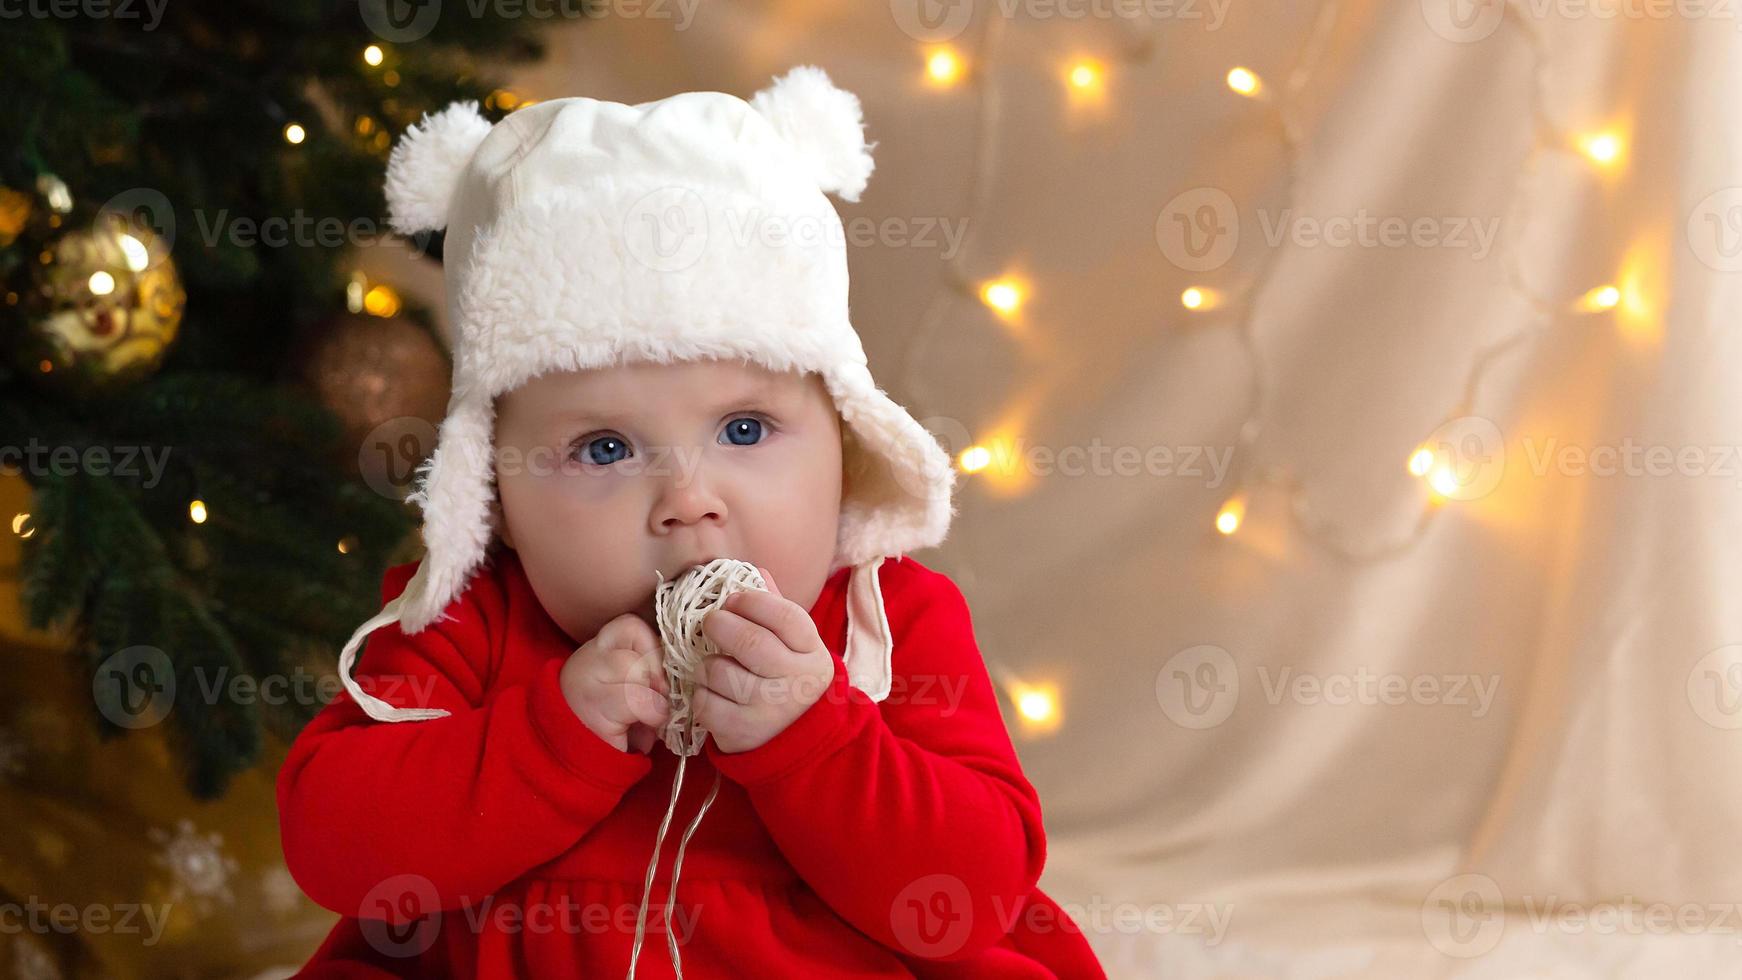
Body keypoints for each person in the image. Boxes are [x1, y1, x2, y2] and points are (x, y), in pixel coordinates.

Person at [276, 64, 1108, 979]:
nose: (687, 498)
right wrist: (551, 737)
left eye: (744, 430)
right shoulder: (473, 622)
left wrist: (815, 740)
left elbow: (975, 892)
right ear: (497, 500)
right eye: (603, 449)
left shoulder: (891, 623)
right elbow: (335, 846)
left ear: (844, 446)